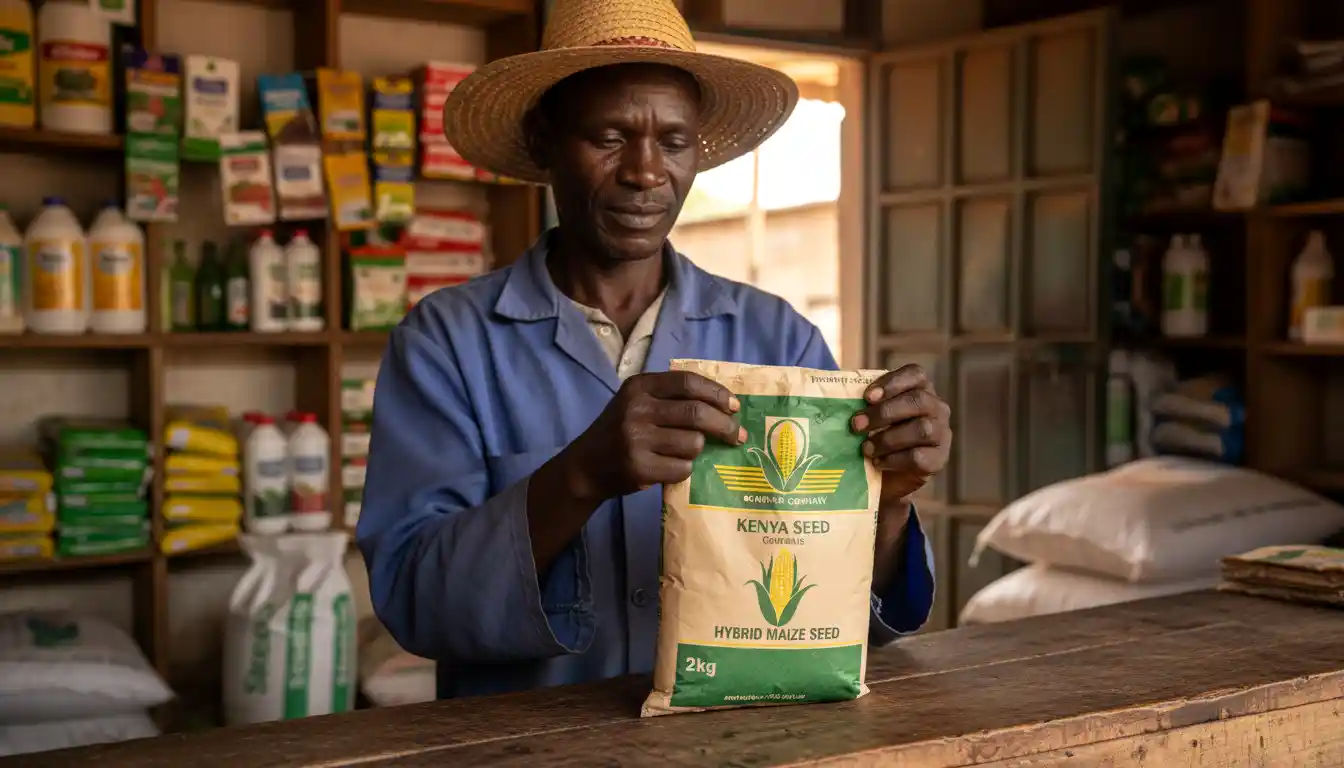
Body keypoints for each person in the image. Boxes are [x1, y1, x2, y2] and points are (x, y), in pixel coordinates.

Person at [357, 0, 953, 700]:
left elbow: (850, 616)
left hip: (743, 743)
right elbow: (414, 602)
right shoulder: (447, 342)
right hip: (528, 752)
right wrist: (581, 474)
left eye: (673, 142)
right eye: (609, 137)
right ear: (547, 140)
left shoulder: (778, 338)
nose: (645, 172)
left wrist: (886, 504)